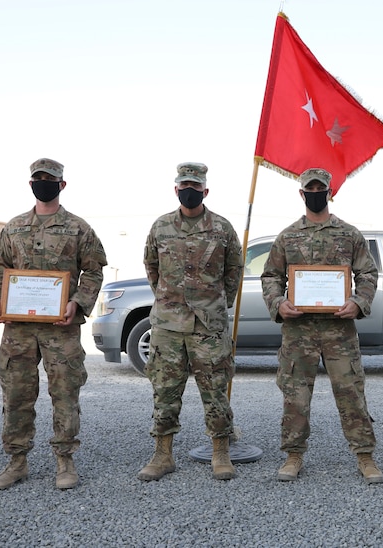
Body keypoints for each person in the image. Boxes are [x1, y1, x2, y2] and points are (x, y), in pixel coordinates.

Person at [0, 158, 108, 491]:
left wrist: (78, 302)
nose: (44, 183)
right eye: (38, 179)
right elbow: (0, 266)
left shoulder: (78, 228)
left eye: (50, 179)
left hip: (61, 328)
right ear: (31, 185)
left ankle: (65, 462)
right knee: (16, 395)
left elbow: (94, 270)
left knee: (65, 394)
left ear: (61, 185)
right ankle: (16, 462)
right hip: (18, 330)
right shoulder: (13, 228)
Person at [260, 168, 383, 484]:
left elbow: (368, 274)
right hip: (298, 331)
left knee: (351, 392)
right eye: (310, 189)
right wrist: (278, 303)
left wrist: (358, 302)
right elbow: (271, 276)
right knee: (295, 394)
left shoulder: (349, 234)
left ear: (329, 192)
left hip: (338, 330)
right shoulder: (287, 237)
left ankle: (365, 456)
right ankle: (293, 455)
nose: (315, 193)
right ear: (302, 194)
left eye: (321, 188)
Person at [138, 162, 244, 482]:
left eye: (195, 187)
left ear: (205, 191)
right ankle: (162, 454)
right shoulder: (161, 227)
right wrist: (169, 301)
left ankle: (221, 451)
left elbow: (233, 272)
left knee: (215, 391)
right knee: (164, 391)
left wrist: (214, 304)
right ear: (176, 189)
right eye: (185, 185)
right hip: (168, 325)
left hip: (208, 326)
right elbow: (152, 267)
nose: (189, 191)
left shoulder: (222, 228)